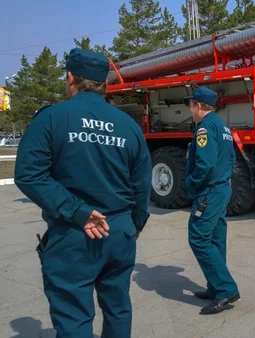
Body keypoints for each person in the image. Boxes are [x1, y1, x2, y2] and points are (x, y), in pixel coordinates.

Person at [14, 48, 152, 338]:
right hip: (119, 232)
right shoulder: (128, 125)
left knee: (74, 316)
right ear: (104, 84)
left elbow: (29, 175)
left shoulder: (52, 118)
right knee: (117, 309)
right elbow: (141, 184)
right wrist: (134, 225)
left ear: (70, 78)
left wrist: (77, 212)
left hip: (75, 234)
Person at [184, 86, 240, 315]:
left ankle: (226, 288)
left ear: (198, 106)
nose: (190, 110)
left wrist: (191, 184)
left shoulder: (205, 128)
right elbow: (232, 158)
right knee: (216, 239)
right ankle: (216, 287)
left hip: (209, 191)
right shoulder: (223, 126)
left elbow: (204, 164)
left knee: (198, 236)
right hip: (222, 188)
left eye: (190, 105)